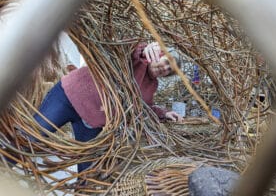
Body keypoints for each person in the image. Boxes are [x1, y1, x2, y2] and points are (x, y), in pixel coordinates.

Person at [33, 42, 183, 172]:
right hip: (69, 97)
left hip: (92, 121)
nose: (166, 68)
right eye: (167, 61)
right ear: (160, 53)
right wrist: (143, 49)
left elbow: (144, 107)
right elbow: (123, 47)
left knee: (87, 171)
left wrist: (164, 113)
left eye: (170, 70)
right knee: (30, 138)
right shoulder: (135, 58)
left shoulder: (152, 86)